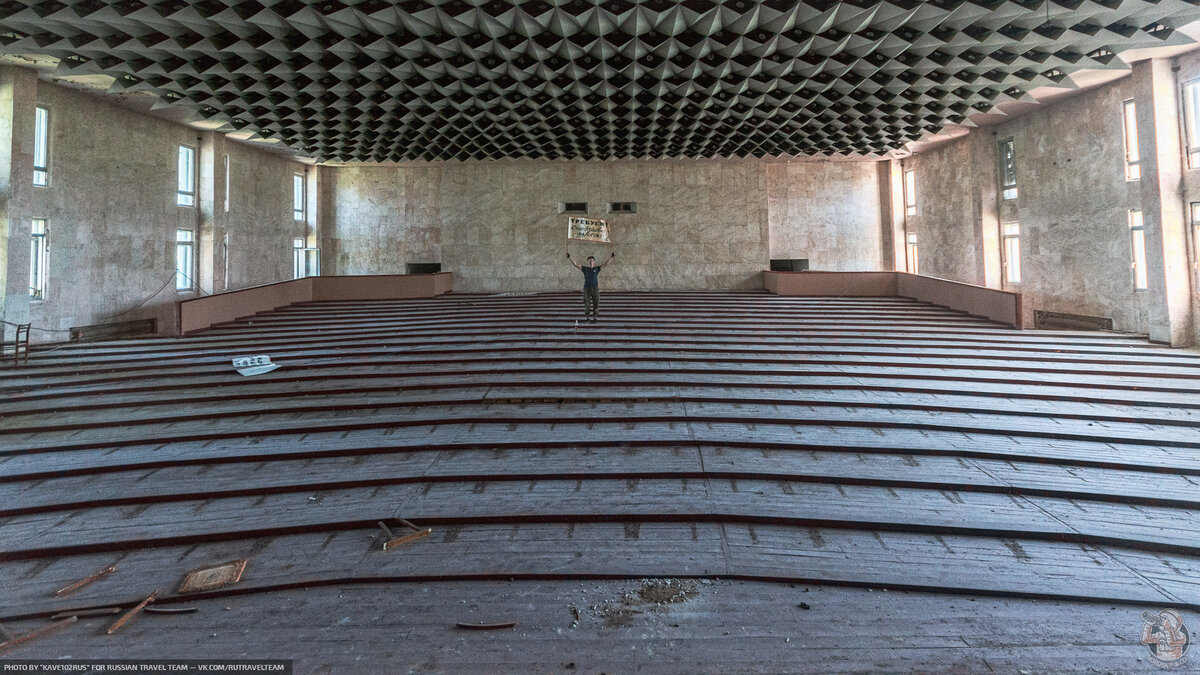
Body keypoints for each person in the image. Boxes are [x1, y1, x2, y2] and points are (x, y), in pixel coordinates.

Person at [567, 251, 615, 322]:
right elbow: (575, 264)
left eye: (592, 260)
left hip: (595, 289)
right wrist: (569, 257)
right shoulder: (585, 269)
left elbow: (606, 264)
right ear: (588, 262)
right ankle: (587, 318)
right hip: (587, 289)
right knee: (587, 303)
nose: (591, 262)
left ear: (594, 262)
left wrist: (612, 257)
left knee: (596, 303)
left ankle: (595, 318)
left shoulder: (597, 269)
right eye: (589, 261)